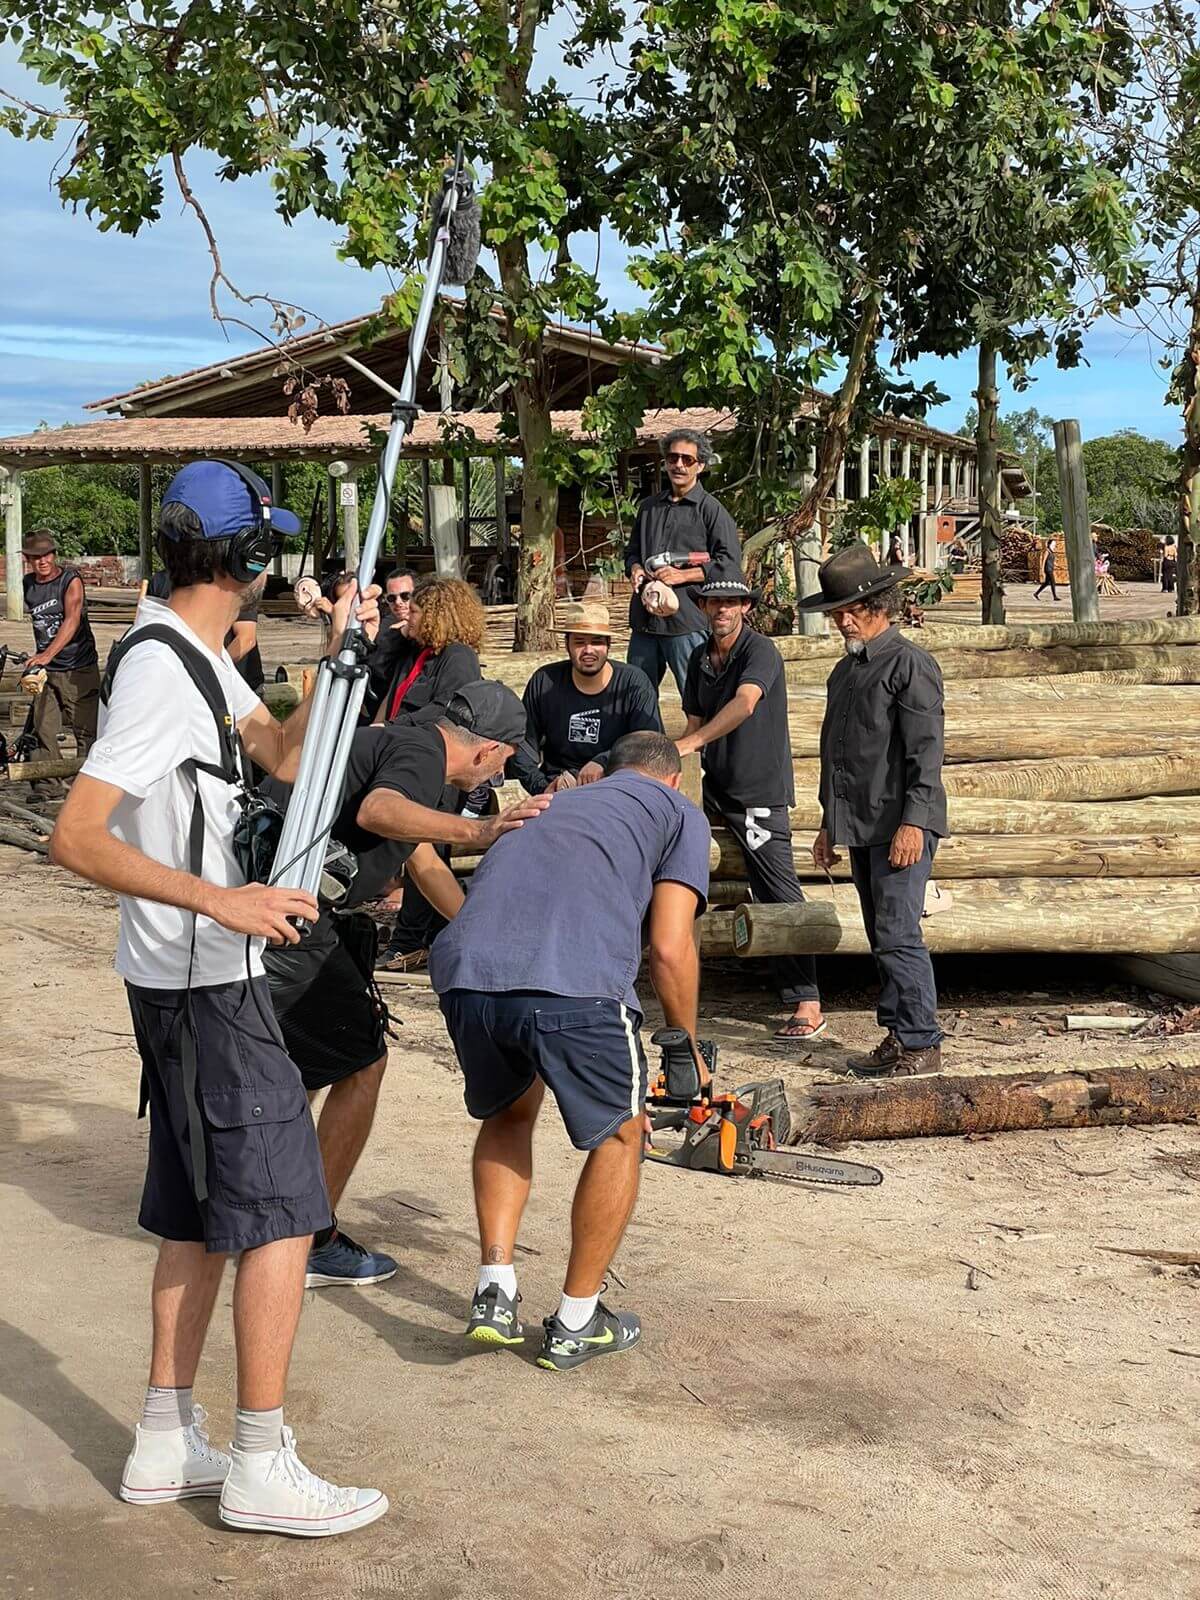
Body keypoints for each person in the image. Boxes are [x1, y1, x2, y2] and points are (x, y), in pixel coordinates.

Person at [49, 459, 387, 1536]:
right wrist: (222, 899)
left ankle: (163, 1437)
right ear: (248, 558)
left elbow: (278, 756)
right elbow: (76, 834)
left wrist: (337, 663)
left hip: (191, 979)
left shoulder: (197, 651)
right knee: (286, 1209)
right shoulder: (157, 669)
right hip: (204, 976)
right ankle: (257, 1459)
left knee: (198, 1212)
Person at [430, 731, 710, 1371]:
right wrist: (684, 1046)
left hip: (469, 973)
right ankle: (577, 1321)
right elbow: (670, 945)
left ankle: (494, 1291)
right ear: (670, 778)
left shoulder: (550, 802)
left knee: (508, 1113)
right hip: (574, 983)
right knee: (621, 1136)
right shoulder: (676, 811)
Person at [260, 684, 548, 1289]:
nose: (502, 774)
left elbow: (422, 862)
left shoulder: (407, 747)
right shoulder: (419, 756)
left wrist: (482, 931)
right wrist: (481, 830)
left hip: (272, 909)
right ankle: (310, 1239)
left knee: (291, 1064)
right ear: (488, 750)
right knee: (360, 1061)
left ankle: (260, 1207)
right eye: (506, 761)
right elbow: (378, 812)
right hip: (285, 918)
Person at [804, 543, 948, 1077]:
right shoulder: (845, 672)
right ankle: (898, 1034)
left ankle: (920, 1042)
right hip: (862, 822)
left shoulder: (909, 664)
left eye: (851, 609)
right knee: (880, 934)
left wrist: (914, 821)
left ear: (879, 605)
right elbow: (836, 754)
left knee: (897, 933)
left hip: (900, 823)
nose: (842, 619)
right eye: (837, 611)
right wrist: (828, 824)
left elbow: (925, 751)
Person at [677, 568, 826, 1041]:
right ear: (702, 608)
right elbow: (692, 721)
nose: (722, 610)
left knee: (777, 888)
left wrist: (694, 740)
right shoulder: (699, 657)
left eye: (731, 603)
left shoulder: (759, 651)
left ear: (746, 607)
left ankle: (808, 1000)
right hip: (715, 788)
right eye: (713, 603)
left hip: (757, 793)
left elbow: (745, 704)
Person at [377, 576, 487, 970]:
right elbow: (382, 685)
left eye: (418, 609)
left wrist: (392, 729)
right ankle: (433, 935)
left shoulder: (459, 658)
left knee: (423, 847)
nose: (409, 613)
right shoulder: (417, 653)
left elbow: (446, 709)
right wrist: (392, 638)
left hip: (437, 764)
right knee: (413, 850)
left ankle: (414, 939)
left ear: (438, 614)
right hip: (404, 756)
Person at [624, 428, 739, 697]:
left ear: (700, 466)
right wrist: (636, 568)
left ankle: (702, 741)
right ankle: (646, 741)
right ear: (665, 461)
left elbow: (730, 564)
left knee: (697, 697)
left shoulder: (712, 511)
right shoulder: (648, 507)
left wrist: (682, 577)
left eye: (687, 460)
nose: (678, 465)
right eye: (673, 458)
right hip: (644, 620)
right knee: (635, 696)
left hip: (686, 622)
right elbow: (631, 552)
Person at [511, 600, 662, 794]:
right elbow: (523, 745)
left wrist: (604, 761)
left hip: (616, 786)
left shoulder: (634, 683)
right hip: (558, 787)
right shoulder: (544, 681)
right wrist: (541, 787)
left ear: (608, 644)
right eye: (580, 642)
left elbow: (648, 743)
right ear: (566, 644)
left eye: (597, 642)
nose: (588, 650)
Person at [21, 528, 101, 760]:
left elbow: (72, 619)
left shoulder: (70, 580)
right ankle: (48, 783)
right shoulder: (28, 584)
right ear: (28, 560)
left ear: (54, 554)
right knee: (42, 729)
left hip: (78, 668)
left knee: (85, 731)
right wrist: (42, 660)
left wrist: (47, 654)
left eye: (46, 555)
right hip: (46, 672)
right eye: (36, 557)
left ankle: (84, 784)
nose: (42, 561)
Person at [147, 569, 264, 692]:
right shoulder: (160, 580)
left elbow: (246, 639)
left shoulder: (232, 579)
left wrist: (210, 670)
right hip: (187, 683)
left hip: (236, 683)